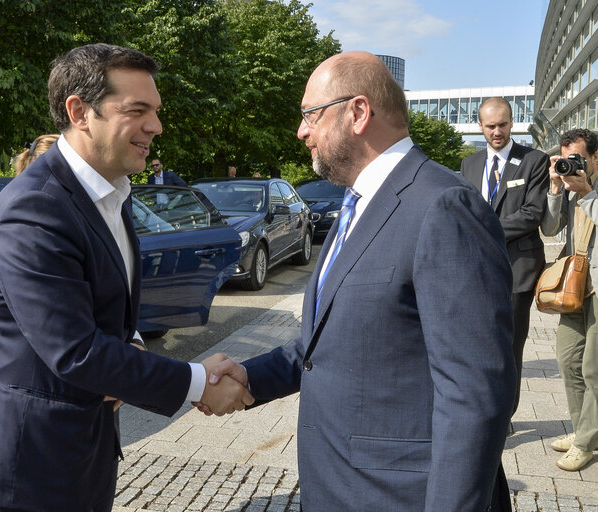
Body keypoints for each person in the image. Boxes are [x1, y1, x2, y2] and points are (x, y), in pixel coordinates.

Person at [201, 52, 516, 511]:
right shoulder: (357, 204)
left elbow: (475, 394)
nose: (301, 131)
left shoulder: (444, 207)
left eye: (310, 115)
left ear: (358, 112)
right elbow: (330, 342)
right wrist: (251, 375)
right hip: (338, 487)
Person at [0, 43, 253, 512]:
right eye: (137, 110)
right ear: (79, 111)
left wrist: (131, 343)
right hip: (34, 457)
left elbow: (104, 306)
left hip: (84, 440)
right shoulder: (35, 208)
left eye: (155, 111)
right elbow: (74, 351)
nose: (156, 126)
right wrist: (198, 382)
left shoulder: (112, 192)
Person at [461, 97, 549, 414]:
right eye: (490, 126)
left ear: (512, 122)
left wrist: (484, 227)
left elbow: (532, 214)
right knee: (478, 344)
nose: (497, 132)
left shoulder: (533, 160)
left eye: (502, 125)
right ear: (480, 126)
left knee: (510, 348)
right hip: (476, 272)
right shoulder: (469, 165)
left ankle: (504, 416)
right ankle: (481, 407)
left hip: (517, 270)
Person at [540, 128, 598, 472]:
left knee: (593, 369)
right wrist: (555, 187)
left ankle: (585, 441)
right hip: (576, 287)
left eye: (577, 158)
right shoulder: (570, 187)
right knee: (568, 359)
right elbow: (549, 228)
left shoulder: (587, 190)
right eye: (566, 159)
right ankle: (585, 430)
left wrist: (588, 193)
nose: (571, 164)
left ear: (594, 157)